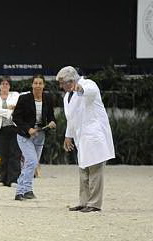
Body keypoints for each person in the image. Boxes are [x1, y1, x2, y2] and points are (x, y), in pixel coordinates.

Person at [56, 66, 115, 213]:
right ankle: (84, 202)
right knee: (83, 171)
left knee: (95, 171)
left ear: (71, 81)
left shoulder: (88, 84)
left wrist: (80, 89)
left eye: (63, 83)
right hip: (81, 138)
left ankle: (94, 204)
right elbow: (71, 118)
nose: (61, 86)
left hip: (94, 135)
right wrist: (67, 136)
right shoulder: (66, 97)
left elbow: (90, 92)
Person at [12, 75, 56, 201]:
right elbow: (16, 118)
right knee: (32, 161)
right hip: (24, 135)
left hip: (40, 135)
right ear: (32, 85)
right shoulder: (24, 98)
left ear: (44, 85)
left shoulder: (48, 98)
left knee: (31, 163)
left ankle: (28, 190)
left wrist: (52, 122)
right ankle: (20, 191)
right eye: (35, 83)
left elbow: (51, 116)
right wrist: (28, 129)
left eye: (40, 83)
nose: (37, 85)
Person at [0, 77, 21, 186]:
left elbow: (18, 108)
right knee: (3, 154)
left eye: (7, 84)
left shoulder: (16, 95)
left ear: (10, 86)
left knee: (15, 154)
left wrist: (11, 109)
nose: (4, 86)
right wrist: (9, 111)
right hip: (1, 129)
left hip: (14, 128)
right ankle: (3, 179)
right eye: (2, 84)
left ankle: (13, 180)